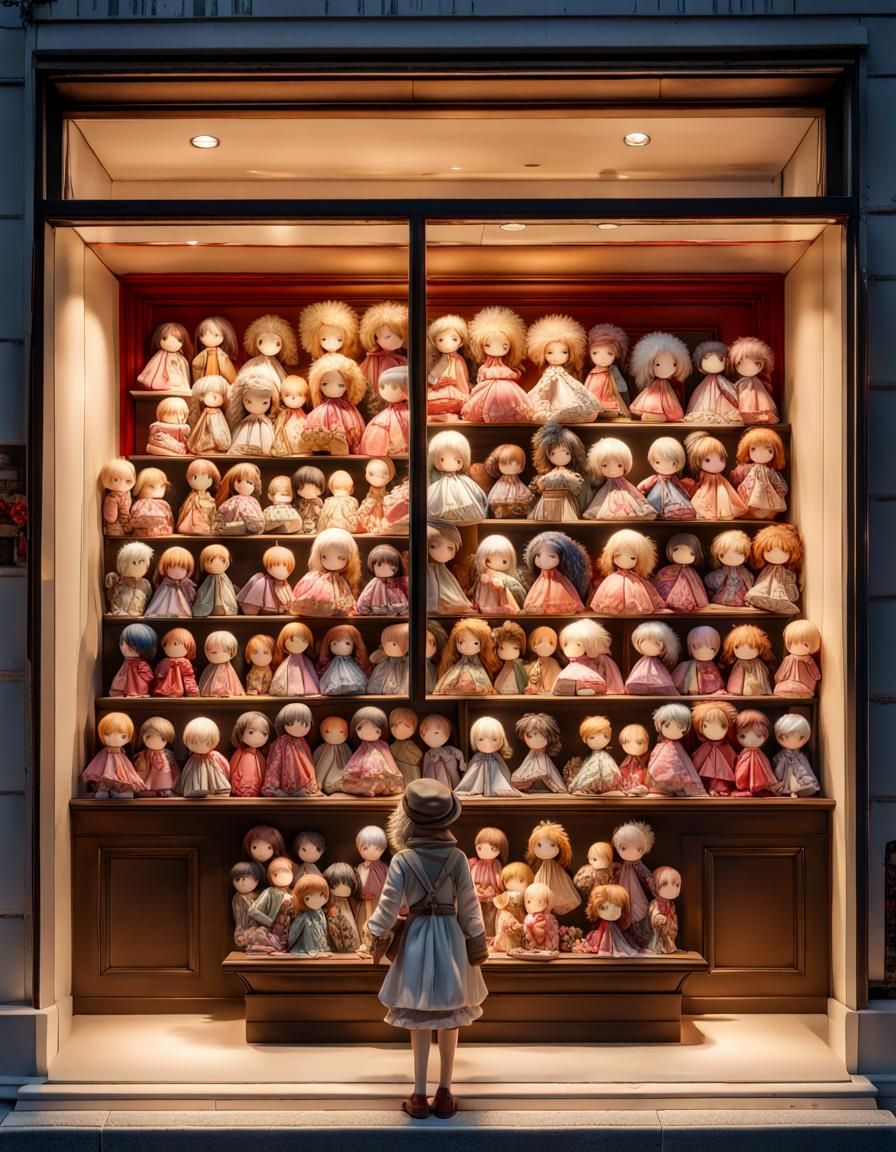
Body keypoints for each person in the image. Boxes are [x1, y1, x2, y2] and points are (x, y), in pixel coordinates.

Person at [367, 779, 488, 1119]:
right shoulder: (459, 858)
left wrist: (375, 935)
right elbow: (470, 906)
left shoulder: (404, 859)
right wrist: (476, 940)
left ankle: (419, 1095)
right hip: (451, 938)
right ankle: (446, 1092)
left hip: (417, 938)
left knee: (418, 1017)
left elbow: (388, 906)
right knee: (451, 1017)